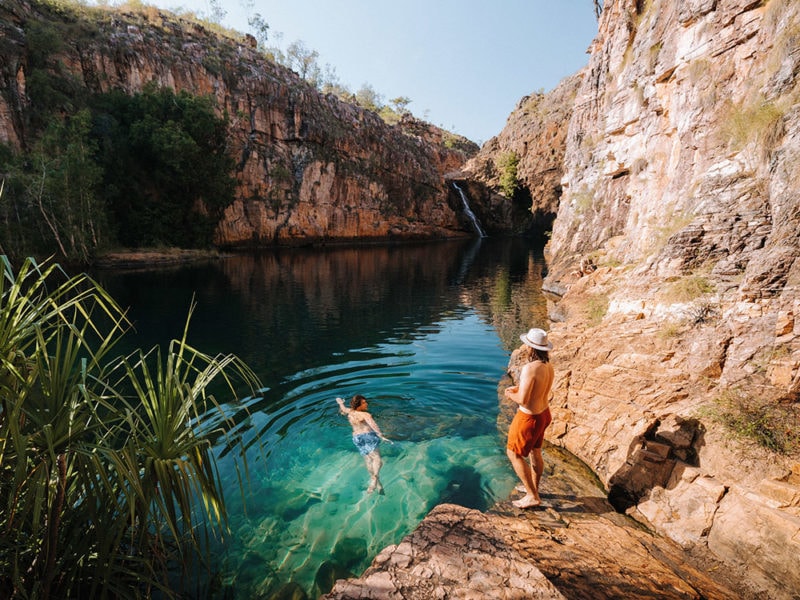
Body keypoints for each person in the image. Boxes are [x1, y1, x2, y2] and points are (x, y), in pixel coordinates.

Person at [504, 328, 555, 509]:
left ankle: (532, 496)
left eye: (527, 344)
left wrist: (509, 394)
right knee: (535, 451)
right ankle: (533, 488)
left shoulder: (530, 368)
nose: (525, 346)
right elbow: (535, 389)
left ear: (530, 348)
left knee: (514, 454)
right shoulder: (547, 365)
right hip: (544, 414)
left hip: (529, 418)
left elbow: (523, 399)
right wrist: (516, 389)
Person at [337, 394, 391, 494]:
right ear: (358, 405)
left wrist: (340, 402)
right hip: (368, 437)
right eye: (364, 402)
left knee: (368, 459)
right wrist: (382, 436)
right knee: (377, 459)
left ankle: (377, 482)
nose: (366, 403)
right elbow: (374, 426)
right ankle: (375, 478)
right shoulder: (366, 415)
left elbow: (343, 409)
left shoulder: (350, 412)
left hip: (357, 438)